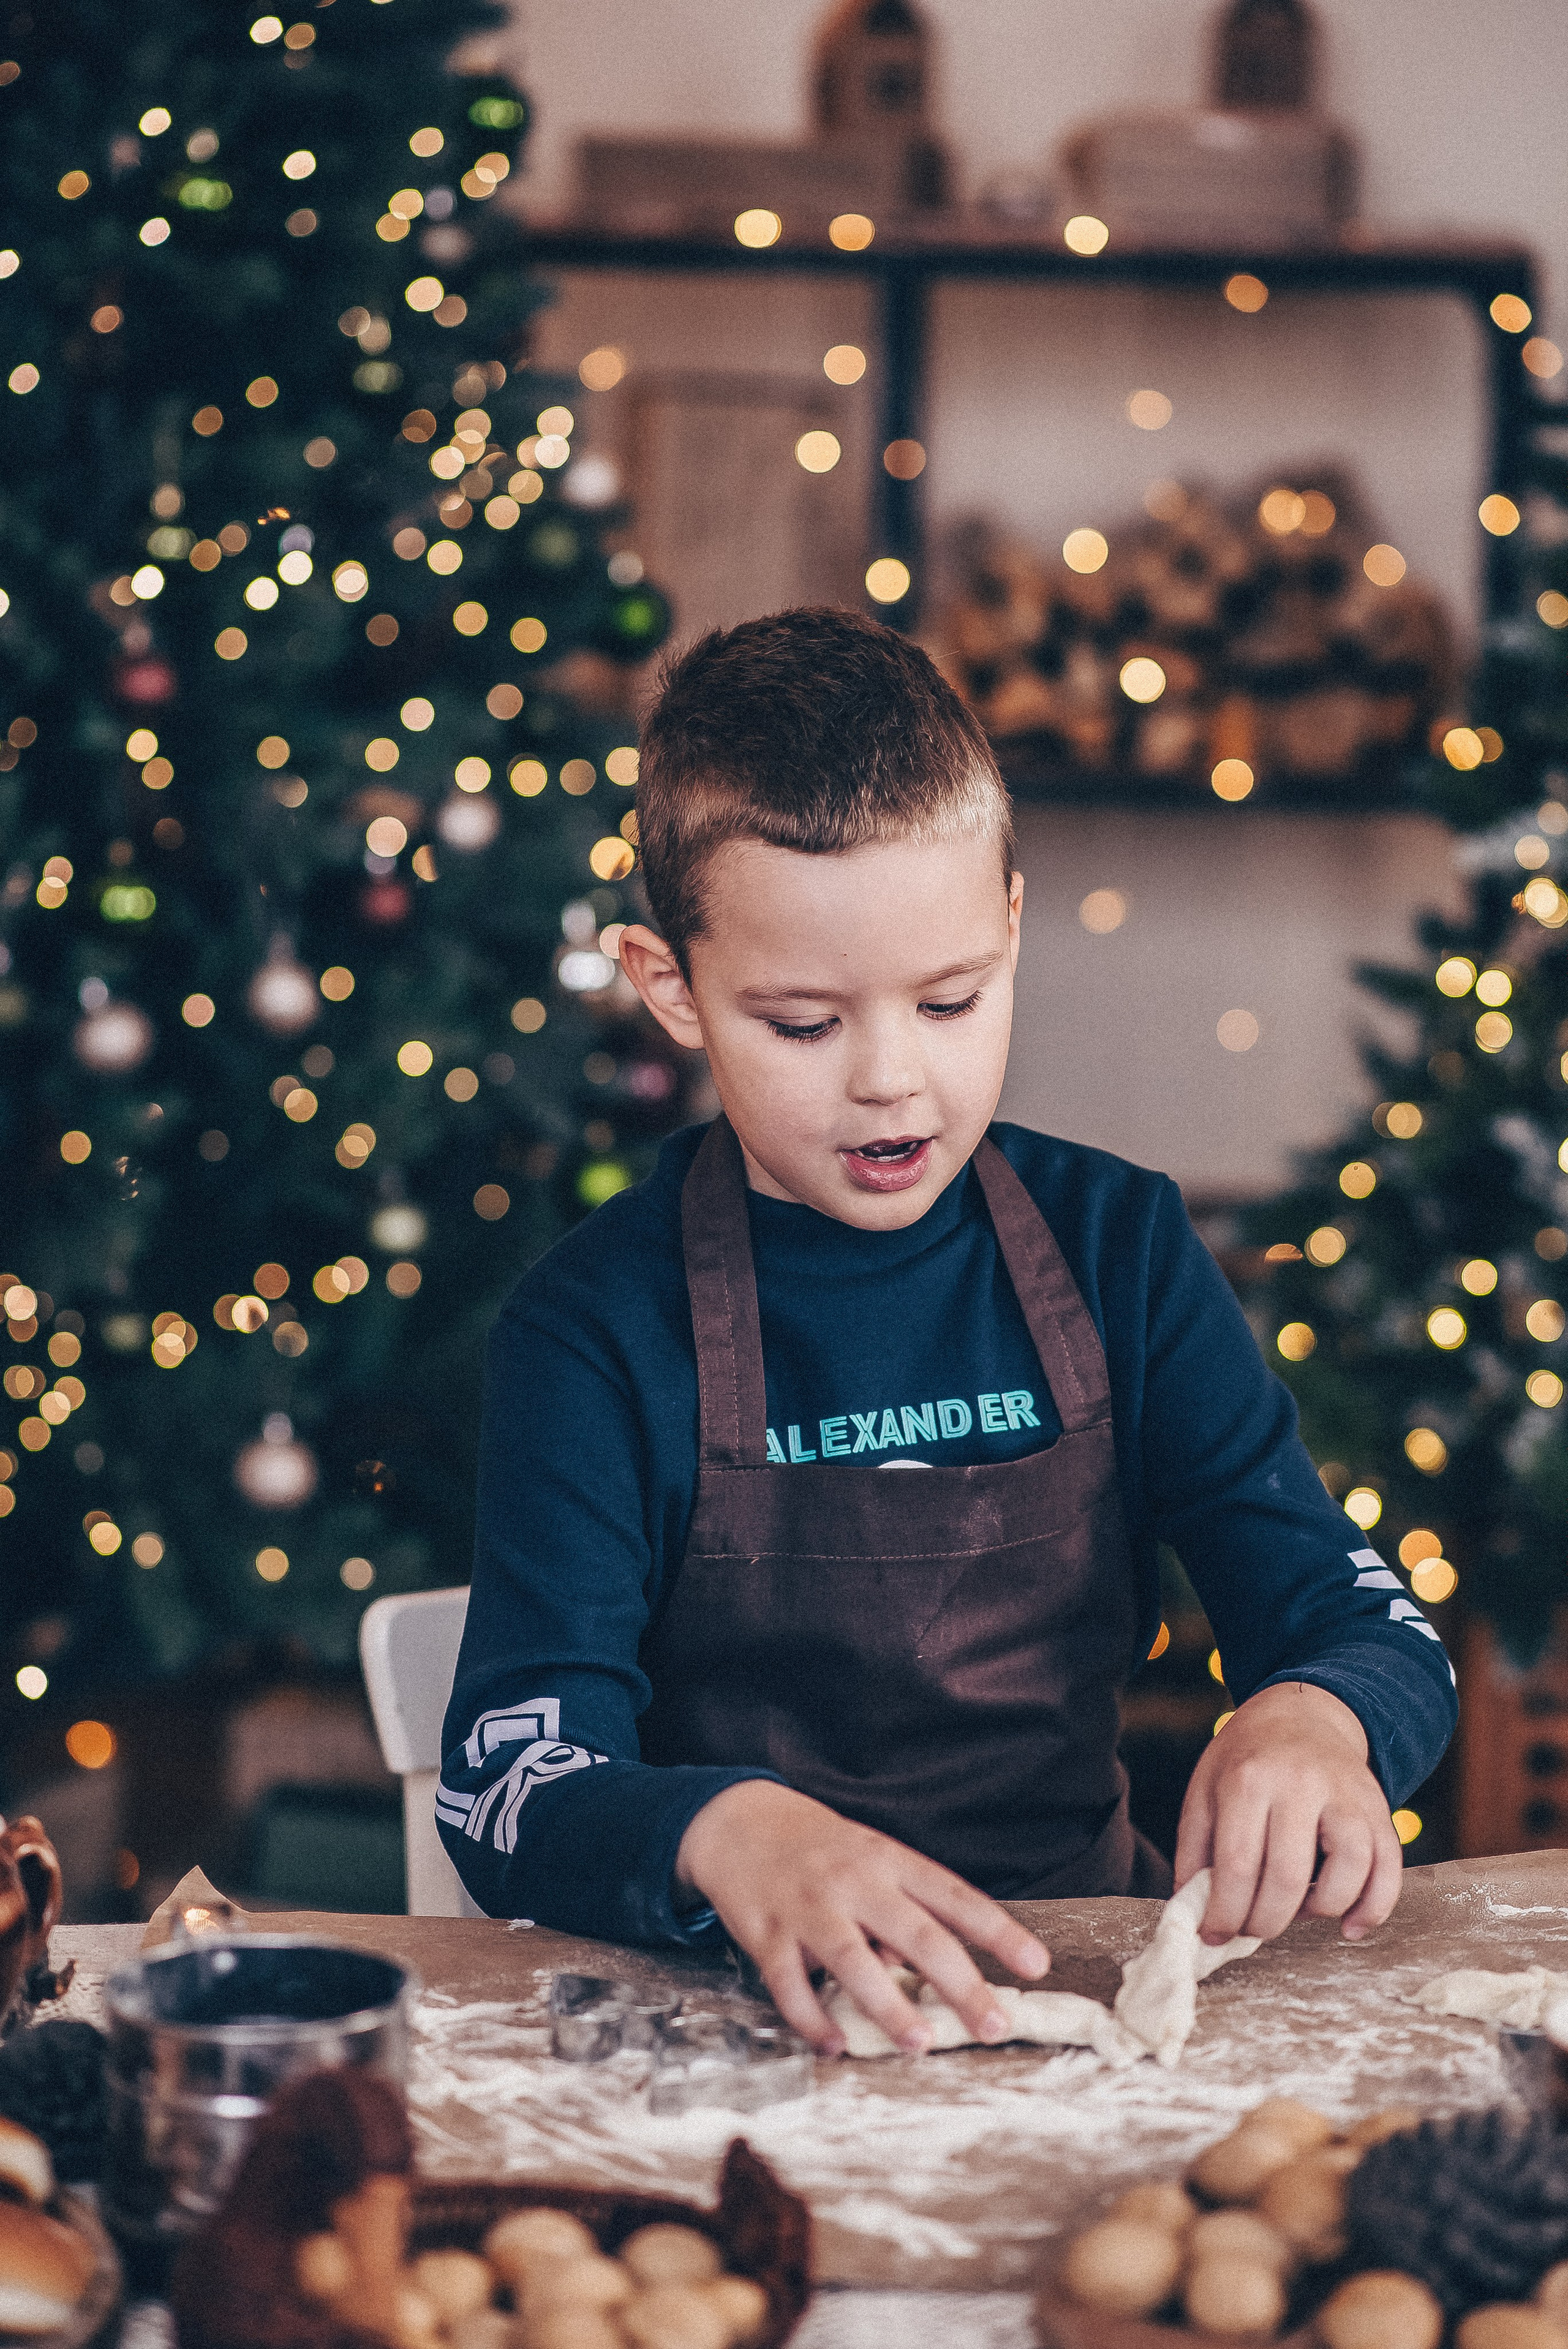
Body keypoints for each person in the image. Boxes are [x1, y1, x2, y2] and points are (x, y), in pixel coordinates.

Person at [438, 608, 1456, 2056]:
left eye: (951, 998)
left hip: (1077, 1983)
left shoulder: (1122, 1251)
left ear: (1013, 929)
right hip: (726, 2028)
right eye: (801, 1022)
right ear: (670, 986)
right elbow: (504, 1776)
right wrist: (724, 1833)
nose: (890, 1080)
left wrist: (1315, 1716)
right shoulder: (591, 1328)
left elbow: (1359, 1615)